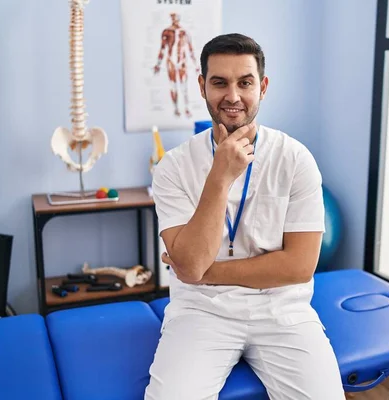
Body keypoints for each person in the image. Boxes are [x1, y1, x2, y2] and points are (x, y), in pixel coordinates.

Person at [144, 33, 345, 400]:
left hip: (282, 309)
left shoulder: (295, 159)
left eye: (245, 82)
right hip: (202, 311)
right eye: (219, 82)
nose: (233, 96)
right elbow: (188, 266)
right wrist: (220, 176)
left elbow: (299, 266)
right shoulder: (172, 167)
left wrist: (207, 272)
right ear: (202, 86)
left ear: (262, 87)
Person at [153, 12, 200, 118]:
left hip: (182, 62)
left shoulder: (184, 32)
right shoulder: (167, 32)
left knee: (184, 87)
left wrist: (196, 65)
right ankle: (176, 108)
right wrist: (158, 64)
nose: (174, 20)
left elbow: (190, 49)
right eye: (173, 18)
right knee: (173, 86)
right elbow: (162, 48)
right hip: (171, 62)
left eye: (176, 18)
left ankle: (186, 108)